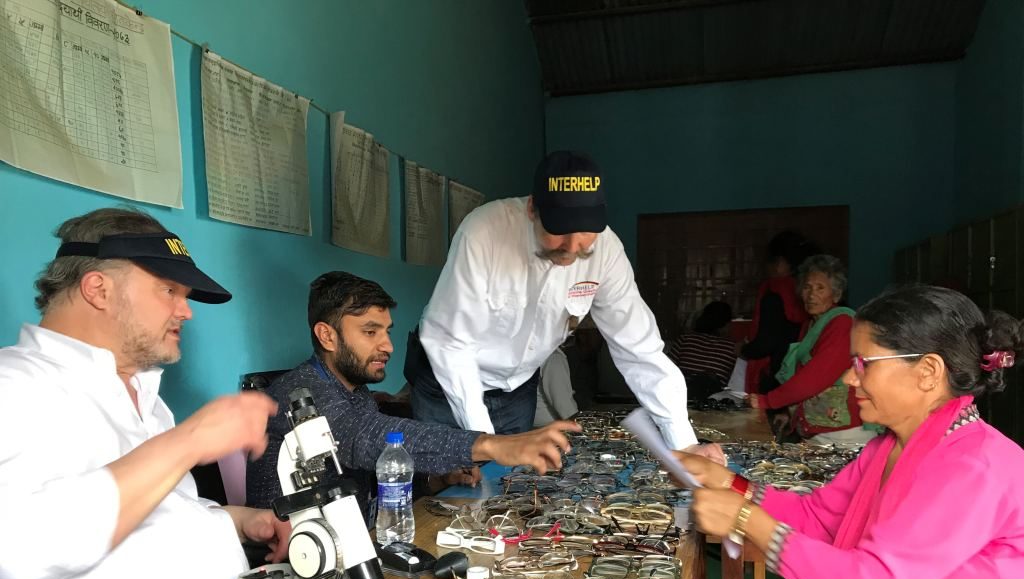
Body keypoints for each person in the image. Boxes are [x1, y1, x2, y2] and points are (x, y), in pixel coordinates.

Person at [679, 284, 1024, 579]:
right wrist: (733, 485)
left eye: (864, 363)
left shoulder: (976, 466)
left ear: (927, 372)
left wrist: (746, 521)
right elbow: (819, 517)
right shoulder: (889, 447)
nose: (848, 377)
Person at [0, 208, 287, 579]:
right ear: (98, 289)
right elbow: (19, 550)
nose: (185, 310)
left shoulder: (144, 395)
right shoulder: (14, 385)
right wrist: (186, 443)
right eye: (168, 290)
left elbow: (156, 512)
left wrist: (240, 521)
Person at [405, 150, 723, 462]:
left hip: (517, 389)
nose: (572, 249)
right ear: (532, 209)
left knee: (506, 493)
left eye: (586, 233)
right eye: (558, 231)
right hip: (446, 386)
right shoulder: (484, 234)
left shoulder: (607, 252)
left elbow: (640, 350)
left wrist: (684, 442)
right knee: (449, 491)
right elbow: (451, 342)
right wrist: (486, 442)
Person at [246, 272, 578, 518]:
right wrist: (490, 444)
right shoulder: (298, 394)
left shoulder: (356, 393)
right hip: (298, 565)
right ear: (327, 336)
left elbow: (369, 476)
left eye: (386, 331)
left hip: (359, 548)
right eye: (370, 331)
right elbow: (361, 438)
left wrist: (435, 482)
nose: (387, 345)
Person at [750, 254, 873, 445]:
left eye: (820, 288)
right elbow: (801, 376)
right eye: (807, 287)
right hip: (819, 431)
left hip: (844, 434)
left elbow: (815, 377)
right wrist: (789, 414)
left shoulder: (842, 323)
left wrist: (769, 401)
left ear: (836, 294)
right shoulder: (811, 325)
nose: (811, 294)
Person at [741, 230, 811, 394]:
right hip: (800, 373)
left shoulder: (773, 293)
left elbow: (765, 343)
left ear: (780, 263)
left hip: (775, 374)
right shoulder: (805, 293)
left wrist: (743, 350)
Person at [667, 300, 737, 398]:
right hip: (712, 402)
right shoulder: (733, 348)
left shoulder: (685, 339)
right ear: (726, 324)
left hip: (678, 396)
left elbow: (665, 369)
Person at [534, 344, 578, 427]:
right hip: (547, 427)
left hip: (535, 425)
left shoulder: (540, 353)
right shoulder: (554, 358)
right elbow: (563, 404)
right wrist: (579, 428)